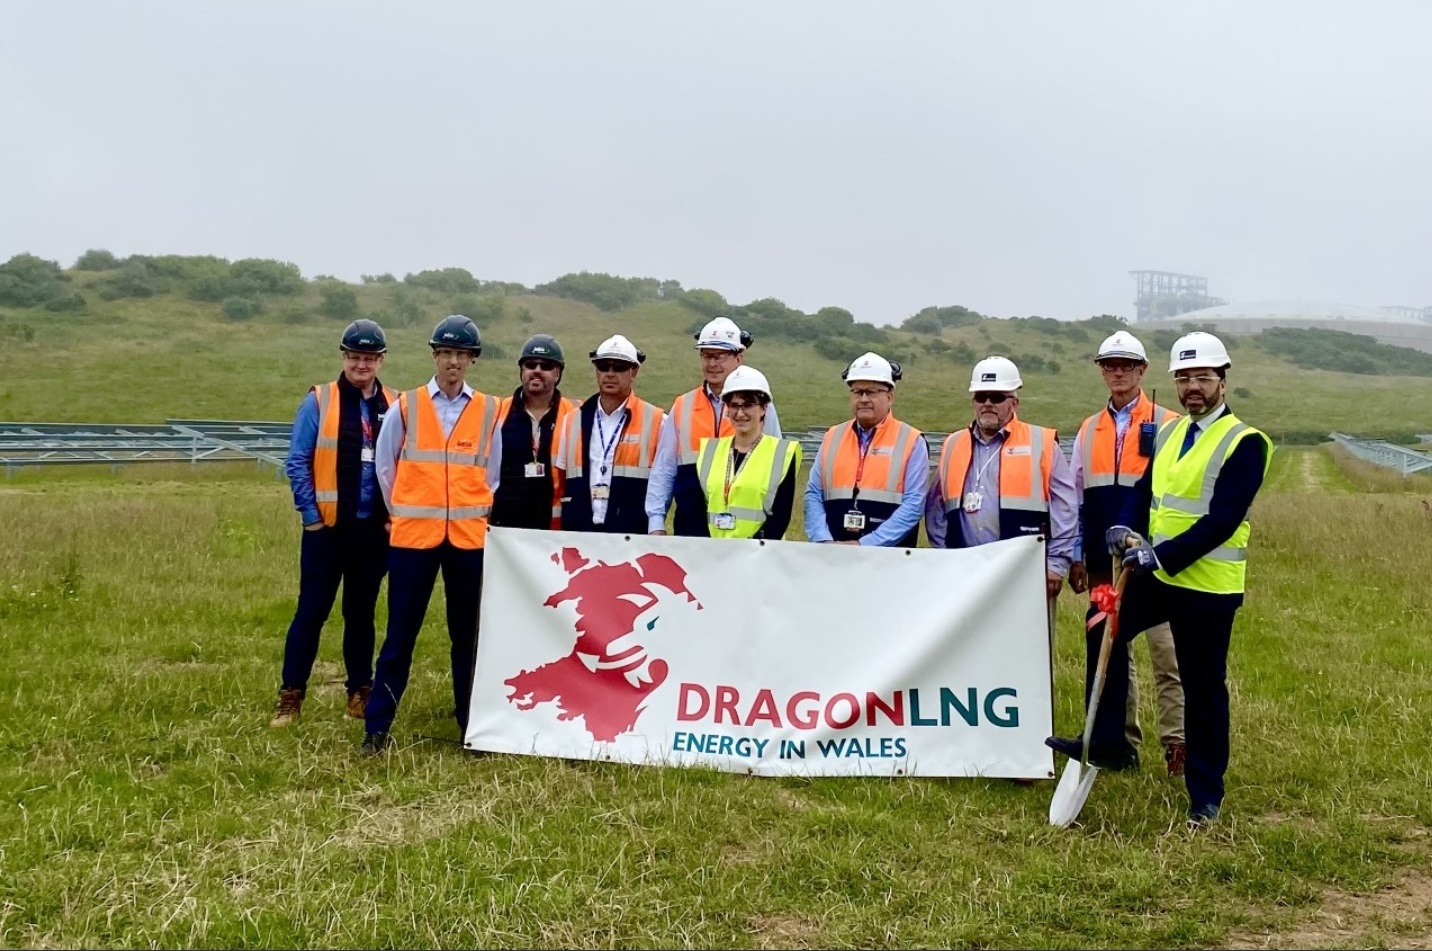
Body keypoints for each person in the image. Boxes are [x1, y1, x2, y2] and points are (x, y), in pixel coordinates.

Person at [1046, 331, 1273, 828]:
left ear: (1222, 381)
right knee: (1100, 623)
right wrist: (1124, 526)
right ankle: (1106, 740)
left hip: (1207, 586)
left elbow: (1221, 522)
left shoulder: (1246, 443)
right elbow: (1145, 492)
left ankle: (1205, 793)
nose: (1193, 387)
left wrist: (1158, 556)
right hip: (1158, 573)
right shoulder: (1170, 434)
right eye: (1185, 378)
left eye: (1202, 378)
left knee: (1201, 684)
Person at [362, 314, 503, 756]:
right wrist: (406, 509)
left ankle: (472, 727)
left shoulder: (488, 411)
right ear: (435, 356)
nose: (453, 362)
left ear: (472, 360)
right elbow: (386, 468)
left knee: (467, 638)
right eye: (445, 353)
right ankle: (377, 728)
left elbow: (491, 475)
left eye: (461, 354)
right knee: (400, 635)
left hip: (467, 540)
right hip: (413, 540)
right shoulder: (406, 406)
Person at [1067, 330, 1186, 776]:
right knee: (1107, 647)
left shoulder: (1170, 424)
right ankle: (1115, 742)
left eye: (1126, 365)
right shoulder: (1088, 428)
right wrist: (1078, 552)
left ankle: (1178, 745)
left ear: (1143, 371)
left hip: (1152, 557)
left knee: (1167, 652)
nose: (1117, 372)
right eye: (1109, 365)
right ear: (1101, 370)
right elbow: (1077, 494)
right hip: (1103, 558)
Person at [271, 319, 397, 728]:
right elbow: (297, 461)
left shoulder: (395, 405)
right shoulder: (319, 401)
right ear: (344, 357)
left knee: (361, 615)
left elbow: (401, 464)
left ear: (380, 361)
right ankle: (291, 695)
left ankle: (360, 693)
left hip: (372, 532)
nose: (362, 364)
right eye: (355, 357)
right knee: (311, 613)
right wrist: (310, 518)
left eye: (370, 358)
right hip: (326, 531)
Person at [924, 356, 1077, 601]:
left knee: (1027, 639)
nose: (987, 403)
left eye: (996, 397)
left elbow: (1065, 508)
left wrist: (1056, 563)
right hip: (964, 570)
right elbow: (936, 509)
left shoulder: (1043, 442)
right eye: (980, 396)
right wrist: (944, 556)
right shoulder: (952, 444)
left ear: (1014, 402)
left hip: (1026, 571)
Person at [646, 317, 782, 537]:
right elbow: (664, 468)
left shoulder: (762, 407)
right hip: (691, 528)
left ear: (739, 358)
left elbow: (776, 473)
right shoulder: (683, 405)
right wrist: (656, 523)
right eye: (706, 355)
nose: (712, 364)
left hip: (745, 533)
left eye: (720, 356)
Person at [804, 352, 928, 547]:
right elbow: (813, 493)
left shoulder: (911, 440)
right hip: (832, 555)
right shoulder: (832, 436)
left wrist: (867, 545)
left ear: (889, 397)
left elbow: (914, 504)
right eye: (857, 392)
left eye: (871, 392)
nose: (863, 399)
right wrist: (822, 539)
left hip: (889, 559)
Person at [555, 334, 664, 534]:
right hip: (580, 533)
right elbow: (560, 482)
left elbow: (663, 484)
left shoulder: (657, 420)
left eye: (619, 367)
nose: (610, 373)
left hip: (631, 536)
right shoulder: (571, 420)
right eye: (603, 366)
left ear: (634, 371)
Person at [694, 365, 803, 539]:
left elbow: (781, 516)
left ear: (763, 408)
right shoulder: (710, 451)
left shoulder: (783, 453)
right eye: (734, 405)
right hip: (713, 555)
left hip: (760, 555)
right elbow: (698, 509)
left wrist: (751, 551)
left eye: (748, 405)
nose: (740, 413)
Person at [490, 334, 578, 531]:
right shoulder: (497, 412)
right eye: (530, 365)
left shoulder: (575, 414)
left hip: (554, 530)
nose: (537, 371)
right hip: (504, 529)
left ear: (557, 373)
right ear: (521, 370)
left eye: (546, 366)